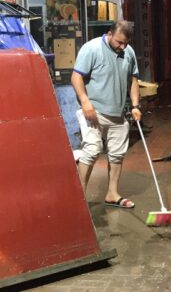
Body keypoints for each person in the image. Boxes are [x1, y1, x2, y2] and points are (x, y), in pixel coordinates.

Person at [71, 20, 141, 208]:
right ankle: (79, 199)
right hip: (93, 111)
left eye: (125, 43)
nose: (122, 46)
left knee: (117, 154)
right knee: (92, 150)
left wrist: (135, 105)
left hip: (118, 113)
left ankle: (112, 193)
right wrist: (85, 102)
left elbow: (133, 80)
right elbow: (76, 76)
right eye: (119, 42)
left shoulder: (129, 52)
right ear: (110, 34)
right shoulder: (91, 48)